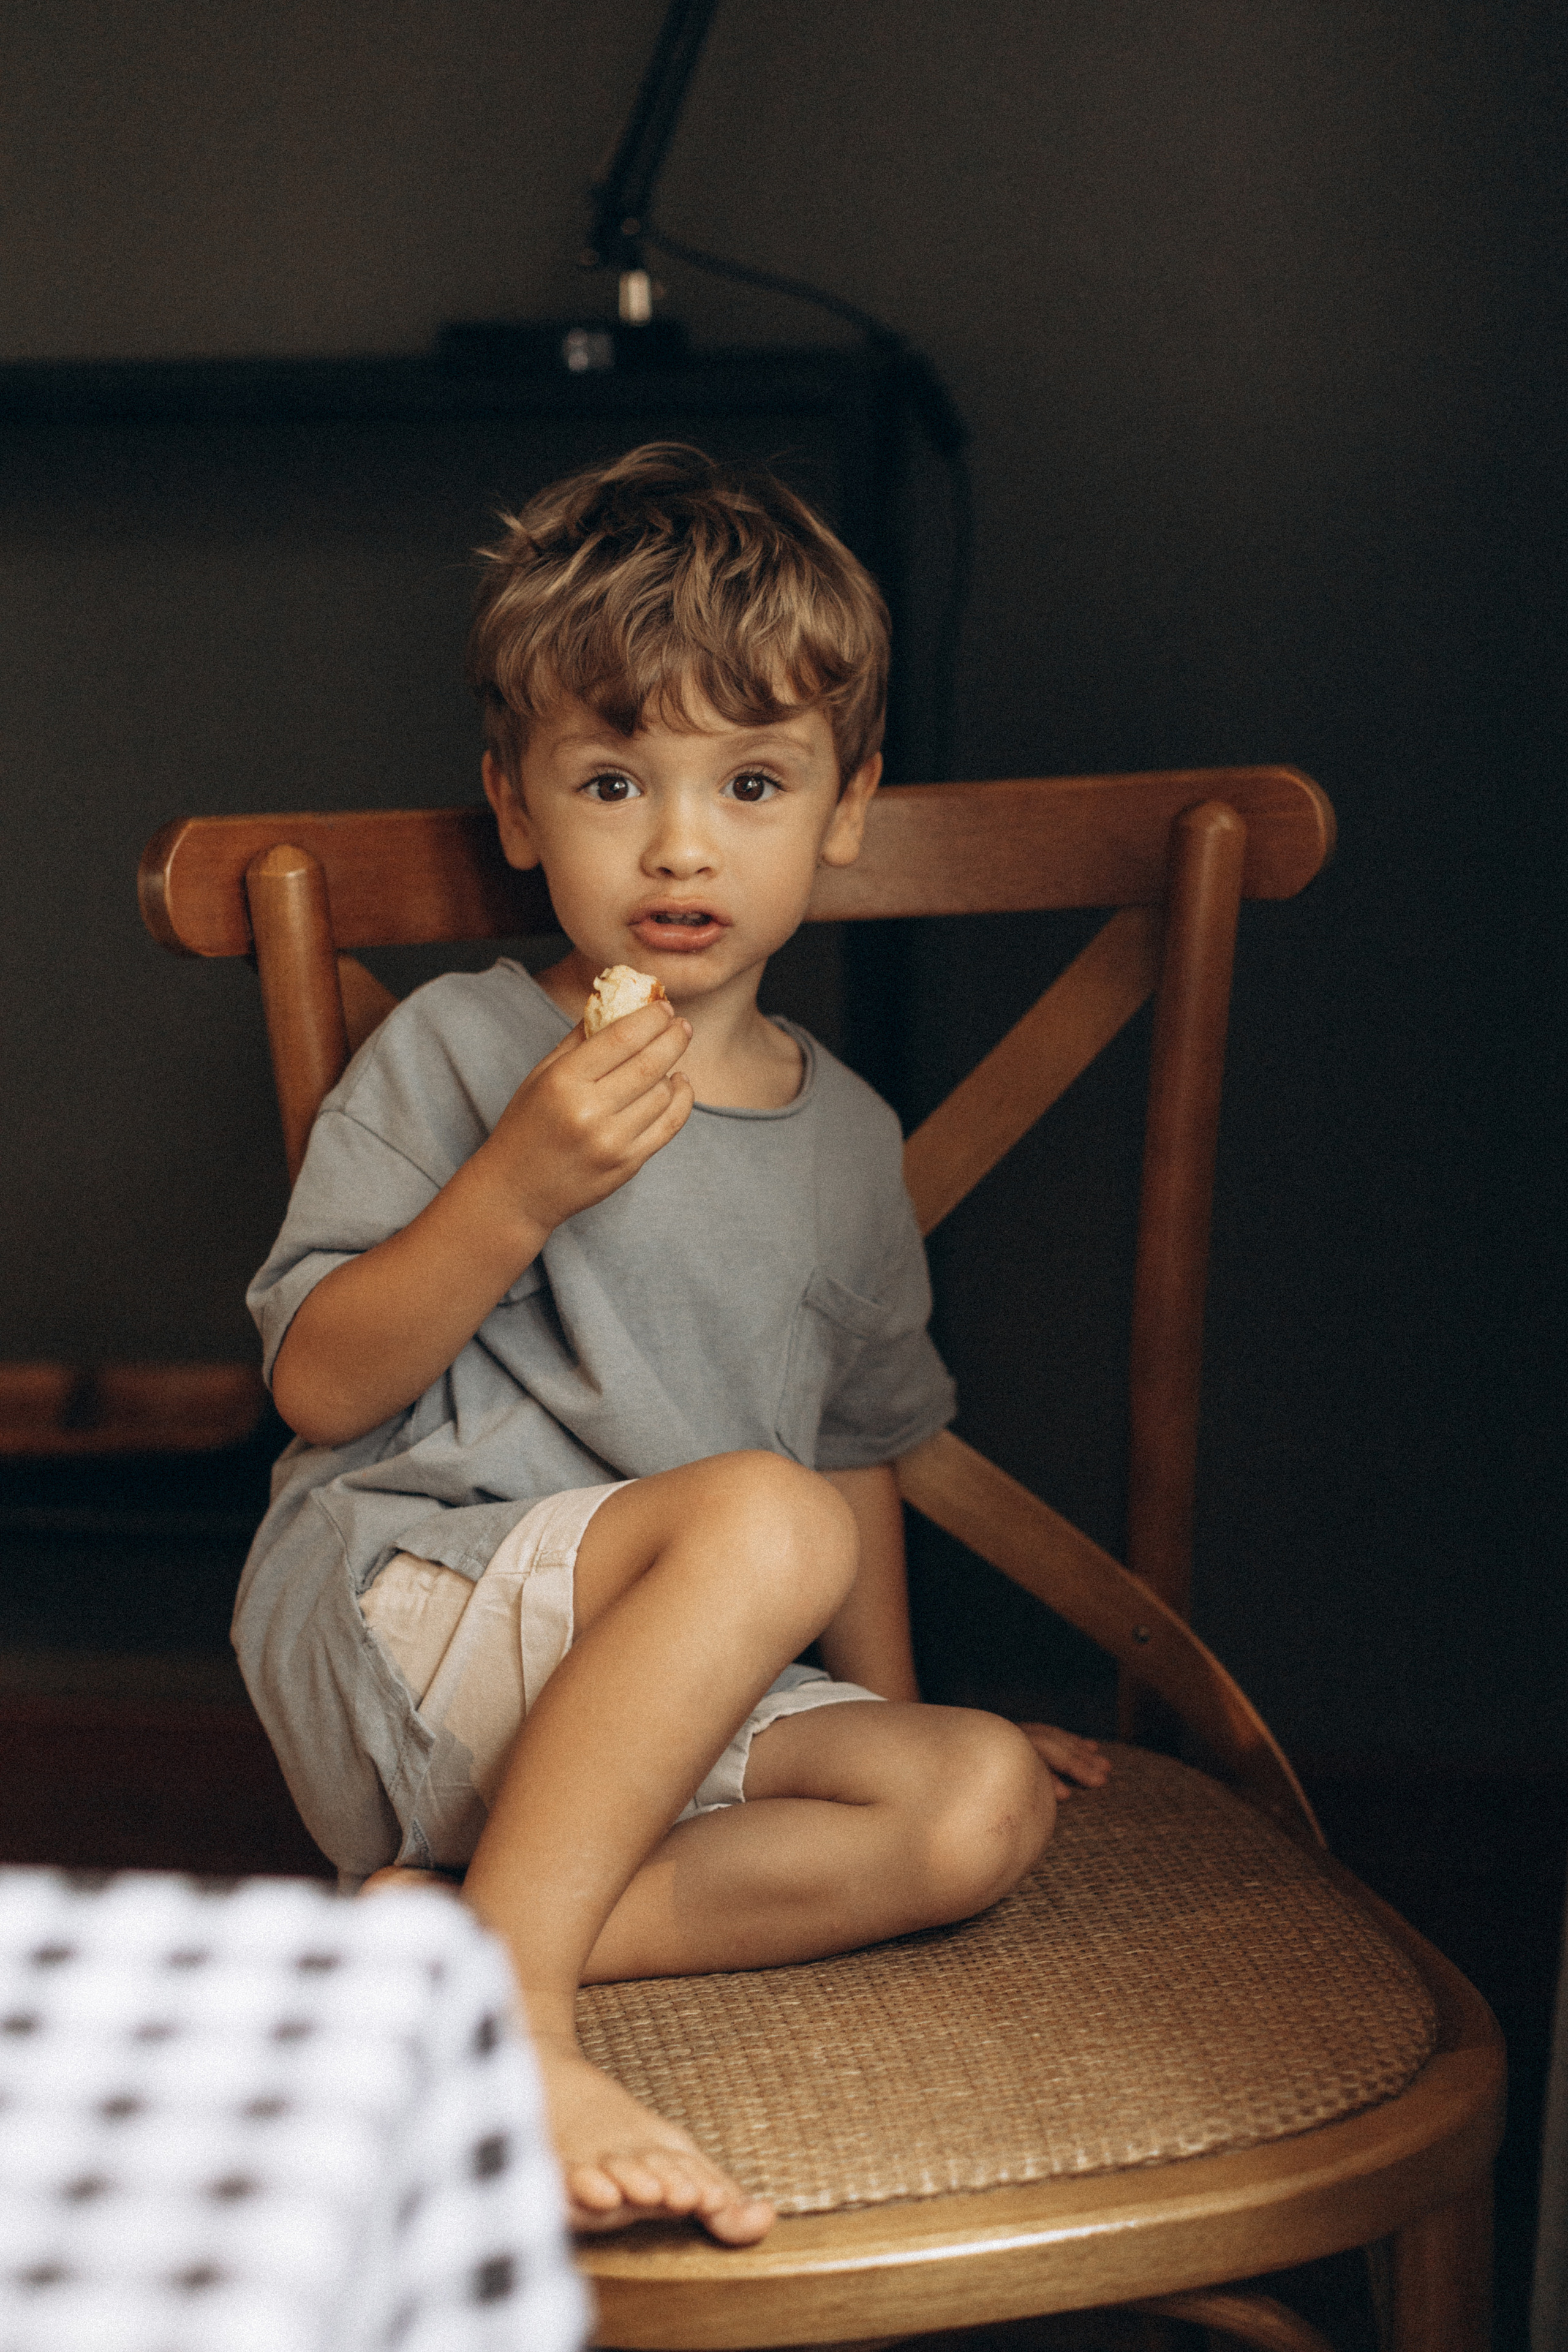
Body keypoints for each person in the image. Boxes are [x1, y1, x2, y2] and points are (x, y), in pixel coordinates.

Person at [238, 442, 1109, 2247]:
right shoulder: (469, 1053)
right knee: (766, 1525)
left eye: (756, 780)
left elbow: (861, 1447)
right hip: (416, 1606)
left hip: (657, 1686)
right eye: (617, 779)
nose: (682, 844)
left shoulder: (849, 1140)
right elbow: (319, 1387)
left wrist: (882, 1713)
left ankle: (444, 1930)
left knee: (972, 1803)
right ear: (518, 803)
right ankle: (523, 2020)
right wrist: (512, 1189)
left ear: (846, 808)